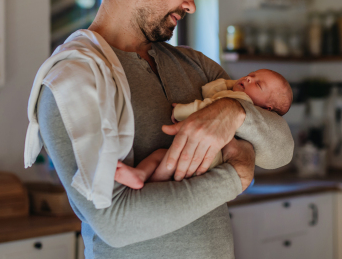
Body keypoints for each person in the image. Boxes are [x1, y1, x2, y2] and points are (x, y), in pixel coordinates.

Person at [30, 0, 293, 259]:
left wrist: (232, 112)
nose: (191, 4)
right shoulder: (72, 81)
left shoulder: (194, 65)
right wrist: (236, 175)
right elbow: (116, 223)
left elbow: (281, 150)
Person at [114, 69, 293, 189]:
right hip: (209, 164)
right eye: (251, 74)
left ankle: (141, 175)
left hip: (207, 157)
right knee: (163, 158)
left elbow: (206, 108)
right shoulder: (235, 92)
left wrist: (179, 111)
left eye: (258, 85)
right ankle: (141, 177)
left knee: (163, 157)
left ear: (268, 109)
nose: (249, 79)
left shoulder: (238, 98)